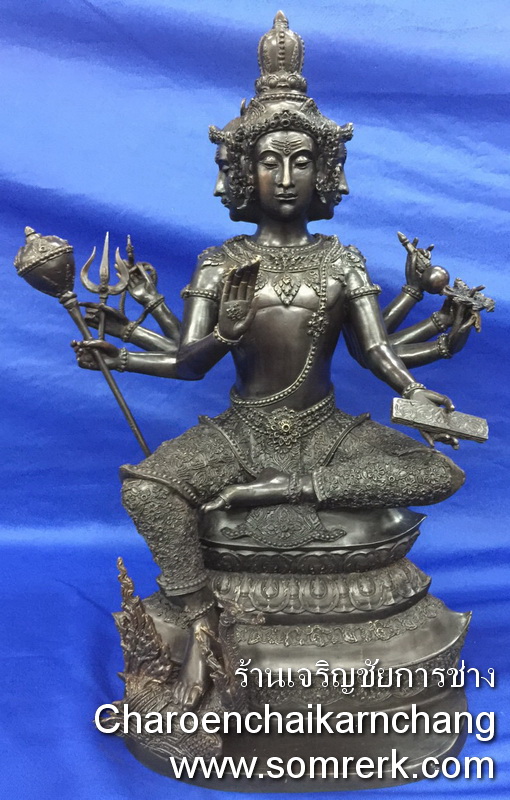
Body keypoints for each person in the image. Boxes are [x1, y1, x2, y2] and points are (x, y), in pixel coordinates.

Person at [73, 13, 467, 708]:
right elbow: (190, 364)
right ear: (242, 171)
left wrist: (416, 390)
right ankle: (202, 622)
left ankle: (290, 489)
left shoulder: (342, 260)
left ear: (325, 171)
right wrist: (182, 346)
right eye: (269, 161)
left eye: (302, 161)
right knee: (146, 489)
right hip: (243, 432)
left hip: (327, 432)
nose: (285, 177)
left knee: (439, 471)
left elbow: (373, 349)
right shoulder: (221, 262)